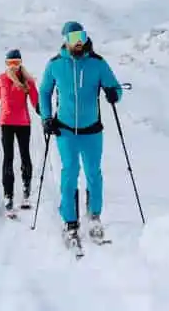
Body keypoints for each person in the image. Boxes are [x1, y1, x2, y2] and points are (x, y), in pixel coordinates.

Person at [38, 21, 123, 246]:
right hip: (65, 130)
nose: (78, 42)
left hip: (92, 130)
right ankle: (70, 222)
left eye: (82, 36)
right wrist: (46, 118)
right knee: (70, 173)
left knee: (94, 173)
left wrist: (114, 94)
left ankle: (94, 216)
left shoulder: (97, 63)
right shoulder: (55, 65)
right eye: (74, 37)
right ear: (65, 39)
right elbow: (44, 91)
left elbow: (115, 86)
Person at [0, 48, 39, 212]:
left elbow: (35, 101)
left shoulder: (28, 81)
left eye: (16, 63)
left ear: (21, 63)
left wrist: (44, 113)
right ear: (6, 64)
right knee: (8, 158)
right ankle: (8, 194)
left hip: (23, 123)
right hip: (6, 123)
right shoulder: (2, 79)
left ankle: (26, 186)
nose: (13, 66)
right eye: (10, 63)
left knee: (25, 155)